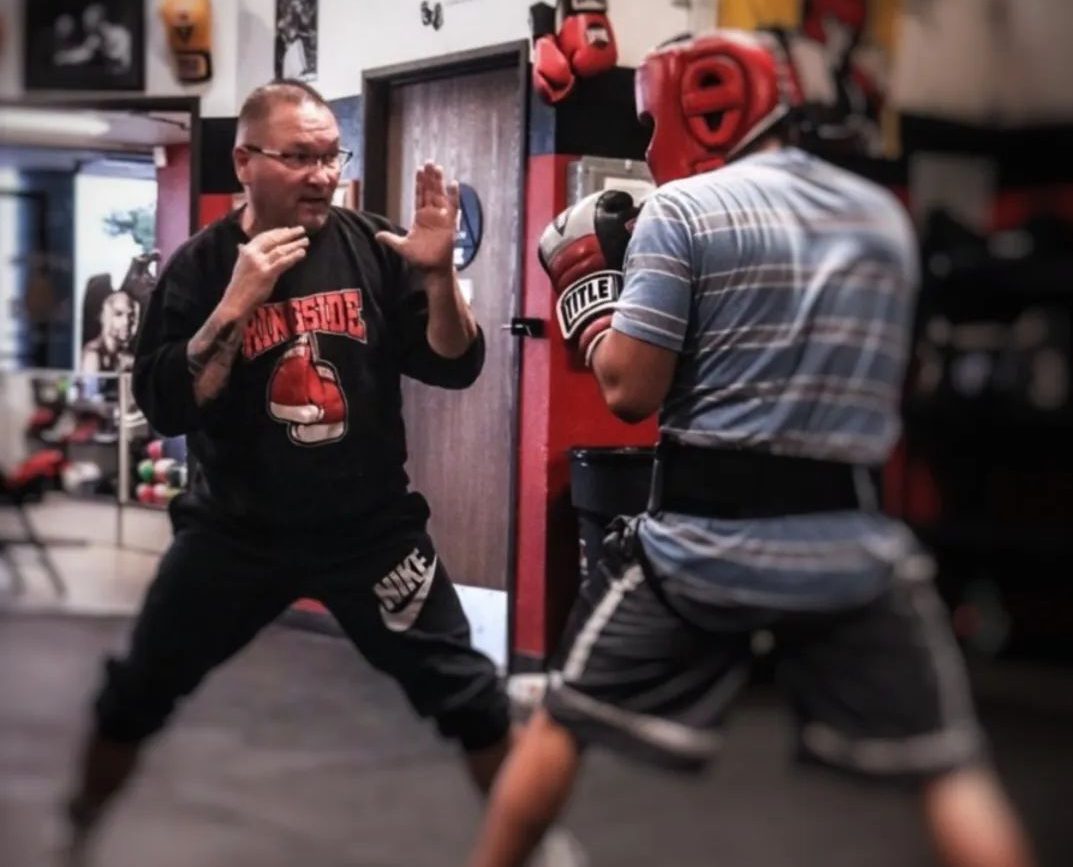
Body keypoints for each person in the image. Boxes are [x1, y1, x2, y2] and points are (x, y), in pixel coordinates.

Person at [468, 31, 1035, 867]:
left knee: (562, 718)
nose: (649, 134)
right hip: (850, 545)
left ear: (701, 99)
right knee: (949, 768)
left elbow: (629, 392)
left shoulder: (683, 210)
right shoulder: (883, 216)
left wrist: (589, 294)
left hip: (697, 545)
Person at [59, 80, 582, 867]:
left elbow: (455, 363)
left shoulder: (373, 244)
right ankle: (81, 825)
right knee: (135, 690)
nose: (321, 173)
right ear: (245, 160)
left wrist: (439, 279)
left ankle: (534, 849)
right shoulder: (201, 268)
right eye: (298, 156)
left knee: (468, 696)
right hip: (234, 532)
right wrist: (236, 305)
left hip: (369, 533)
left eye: (329, 154)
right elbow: (169, 406)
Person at [81, 290, 139, 373]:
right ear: (104, 316)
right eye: (118, 314)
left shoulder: (123, 356)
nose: (126, 322)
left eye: (130, 315)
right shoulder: (93, 356)